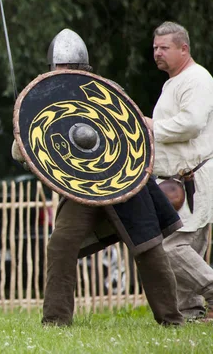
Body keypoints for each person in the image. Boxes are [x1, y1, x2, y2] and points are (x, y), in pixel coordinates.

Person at [12, 28, 184, 327]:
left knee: (148, 248)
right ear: (52, 69)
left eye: (71, 69)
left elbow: (134, 137)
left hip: (123, 182)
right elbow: (21, 152)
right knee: (61, 245)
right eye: (61, 68)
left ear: (84, 68)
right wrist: (25, 136)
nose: (65, 72)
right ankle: (56, 320)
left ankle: (171, 320)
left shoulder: (106, 91)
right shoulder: (46, 96)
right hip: (82, 188)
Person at [145, 21, 213, 322]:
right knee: (189, 247)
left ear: (184, 49)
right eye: (155, 48)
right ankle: (192, 314)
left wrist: (152, 127)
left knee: (171, 248)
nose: (158, 53)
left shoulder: (196, 79)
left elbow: (191, 123)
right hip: (180, 179)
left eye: (165, 48)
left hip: (192, 177)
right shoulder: (174, 81)